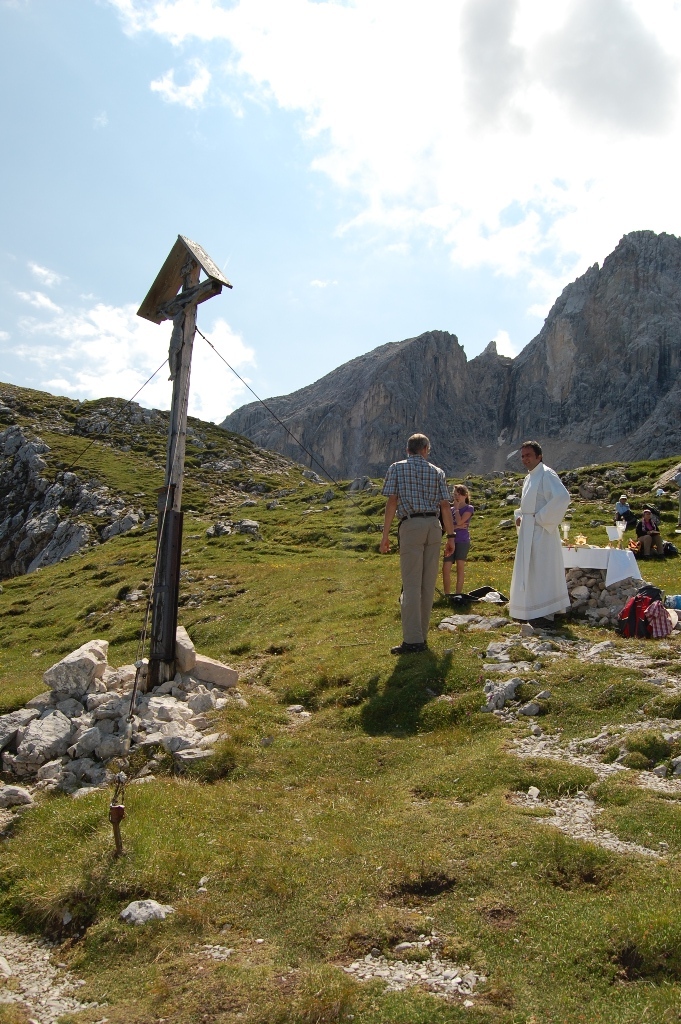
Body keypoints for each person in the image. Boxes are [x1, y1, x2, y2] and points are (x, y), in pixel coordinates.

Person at [380, 434, 455, 654]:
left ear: (408, 450)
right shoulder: (437, 471)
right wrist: (451, 536)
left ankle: (412, 640)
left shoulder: (396, 468)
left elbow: (392, 501)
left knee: (411, 584)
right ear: (425, 449)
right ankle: (421, 635)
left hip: (411, 525)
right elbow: (444, 506)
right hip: (434, 526)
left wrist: (385, 535)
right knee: (427, 584)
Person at [509, 441, 571, 626]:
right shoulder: (529, 478)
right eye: (522, 456)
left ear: (539, 456)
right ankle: (529, 608)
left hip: (542, 531)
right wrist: (521, 516)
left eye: (528, 455)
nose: (525, 459)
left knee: (542, 570)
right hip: (529, 530)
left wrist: (540, 518)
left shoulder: (546, 474)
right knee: (529, 571)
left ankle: (546, 612)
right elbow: (528, 505)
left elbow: (562, 497)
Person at [442, 484, 474, 601]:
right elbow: (446, 526)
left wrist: (456, 509)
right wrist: (457, 525)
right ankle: (447, 594)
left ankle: (458, 594)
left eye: (458, 494)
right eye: (455, 495)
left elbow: (460, 521)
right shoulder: (449, 510)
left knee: (460, 567)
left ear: (465, 495)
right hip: (451, 540)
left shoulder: (469, 508)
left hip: (462, 540)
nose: (456, 497)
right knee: (446, 567)